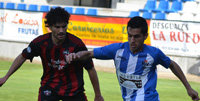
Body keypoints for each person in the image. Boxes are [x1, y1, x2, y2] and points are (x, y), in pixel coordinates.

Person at [66, 16, 200, 101]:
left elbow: (171, 64)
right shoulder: (117, 50)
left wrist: (188, 87)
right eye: (130, 36)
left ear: (145, 36)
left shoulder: (153, 53)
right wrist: (75, 56)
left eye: (136, 37)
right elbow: (89, 54)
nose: (132, 40)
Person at [0, 7, 104, 101]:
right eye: (57, 27)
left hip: (74, 91)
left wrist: (98, 95)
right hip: (49, 88)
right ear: (49, 26)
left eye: (64, 26)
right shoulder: (40, 43)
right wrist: (6, 77)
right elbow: (23, 57)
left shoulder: (76, 44)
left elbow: (90, 69)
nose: (61, 31)